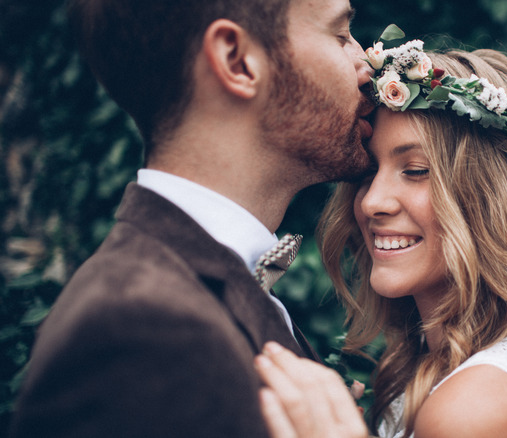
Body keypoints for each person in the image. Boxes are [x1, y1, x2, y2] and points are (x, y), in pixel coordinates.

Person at [10, 0, 373, 437]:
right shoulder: (135, 329)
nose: (367, 60)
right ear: (237, 61)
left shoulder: (200, 286)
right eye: (340, 35)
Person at [254, 36, 507, 438]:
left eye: (415, 170)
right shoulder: (432, 375)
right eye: (367, 173)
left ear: (496, 199)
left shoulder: (476, 407)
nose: (371, 203)